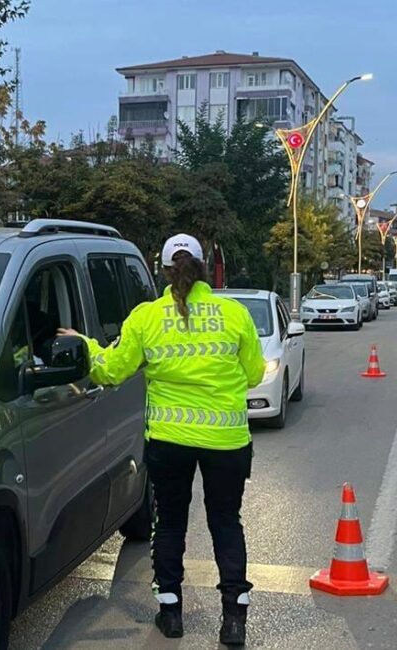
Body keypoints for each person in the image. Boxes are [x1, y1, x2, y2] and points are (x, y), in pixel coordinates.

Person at [59, 234, 265, 646]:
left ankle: (171, 614)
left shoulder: (146, 317)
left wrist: (82, 344)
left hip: (169, 442)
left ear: (165, 270)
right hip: (227, 442)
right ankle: (234, 620)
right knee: (226, 523)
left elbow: (110, 370)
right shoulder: (234, 313)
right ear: (204, 266)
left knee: (170, 523)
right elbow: (256, 374)